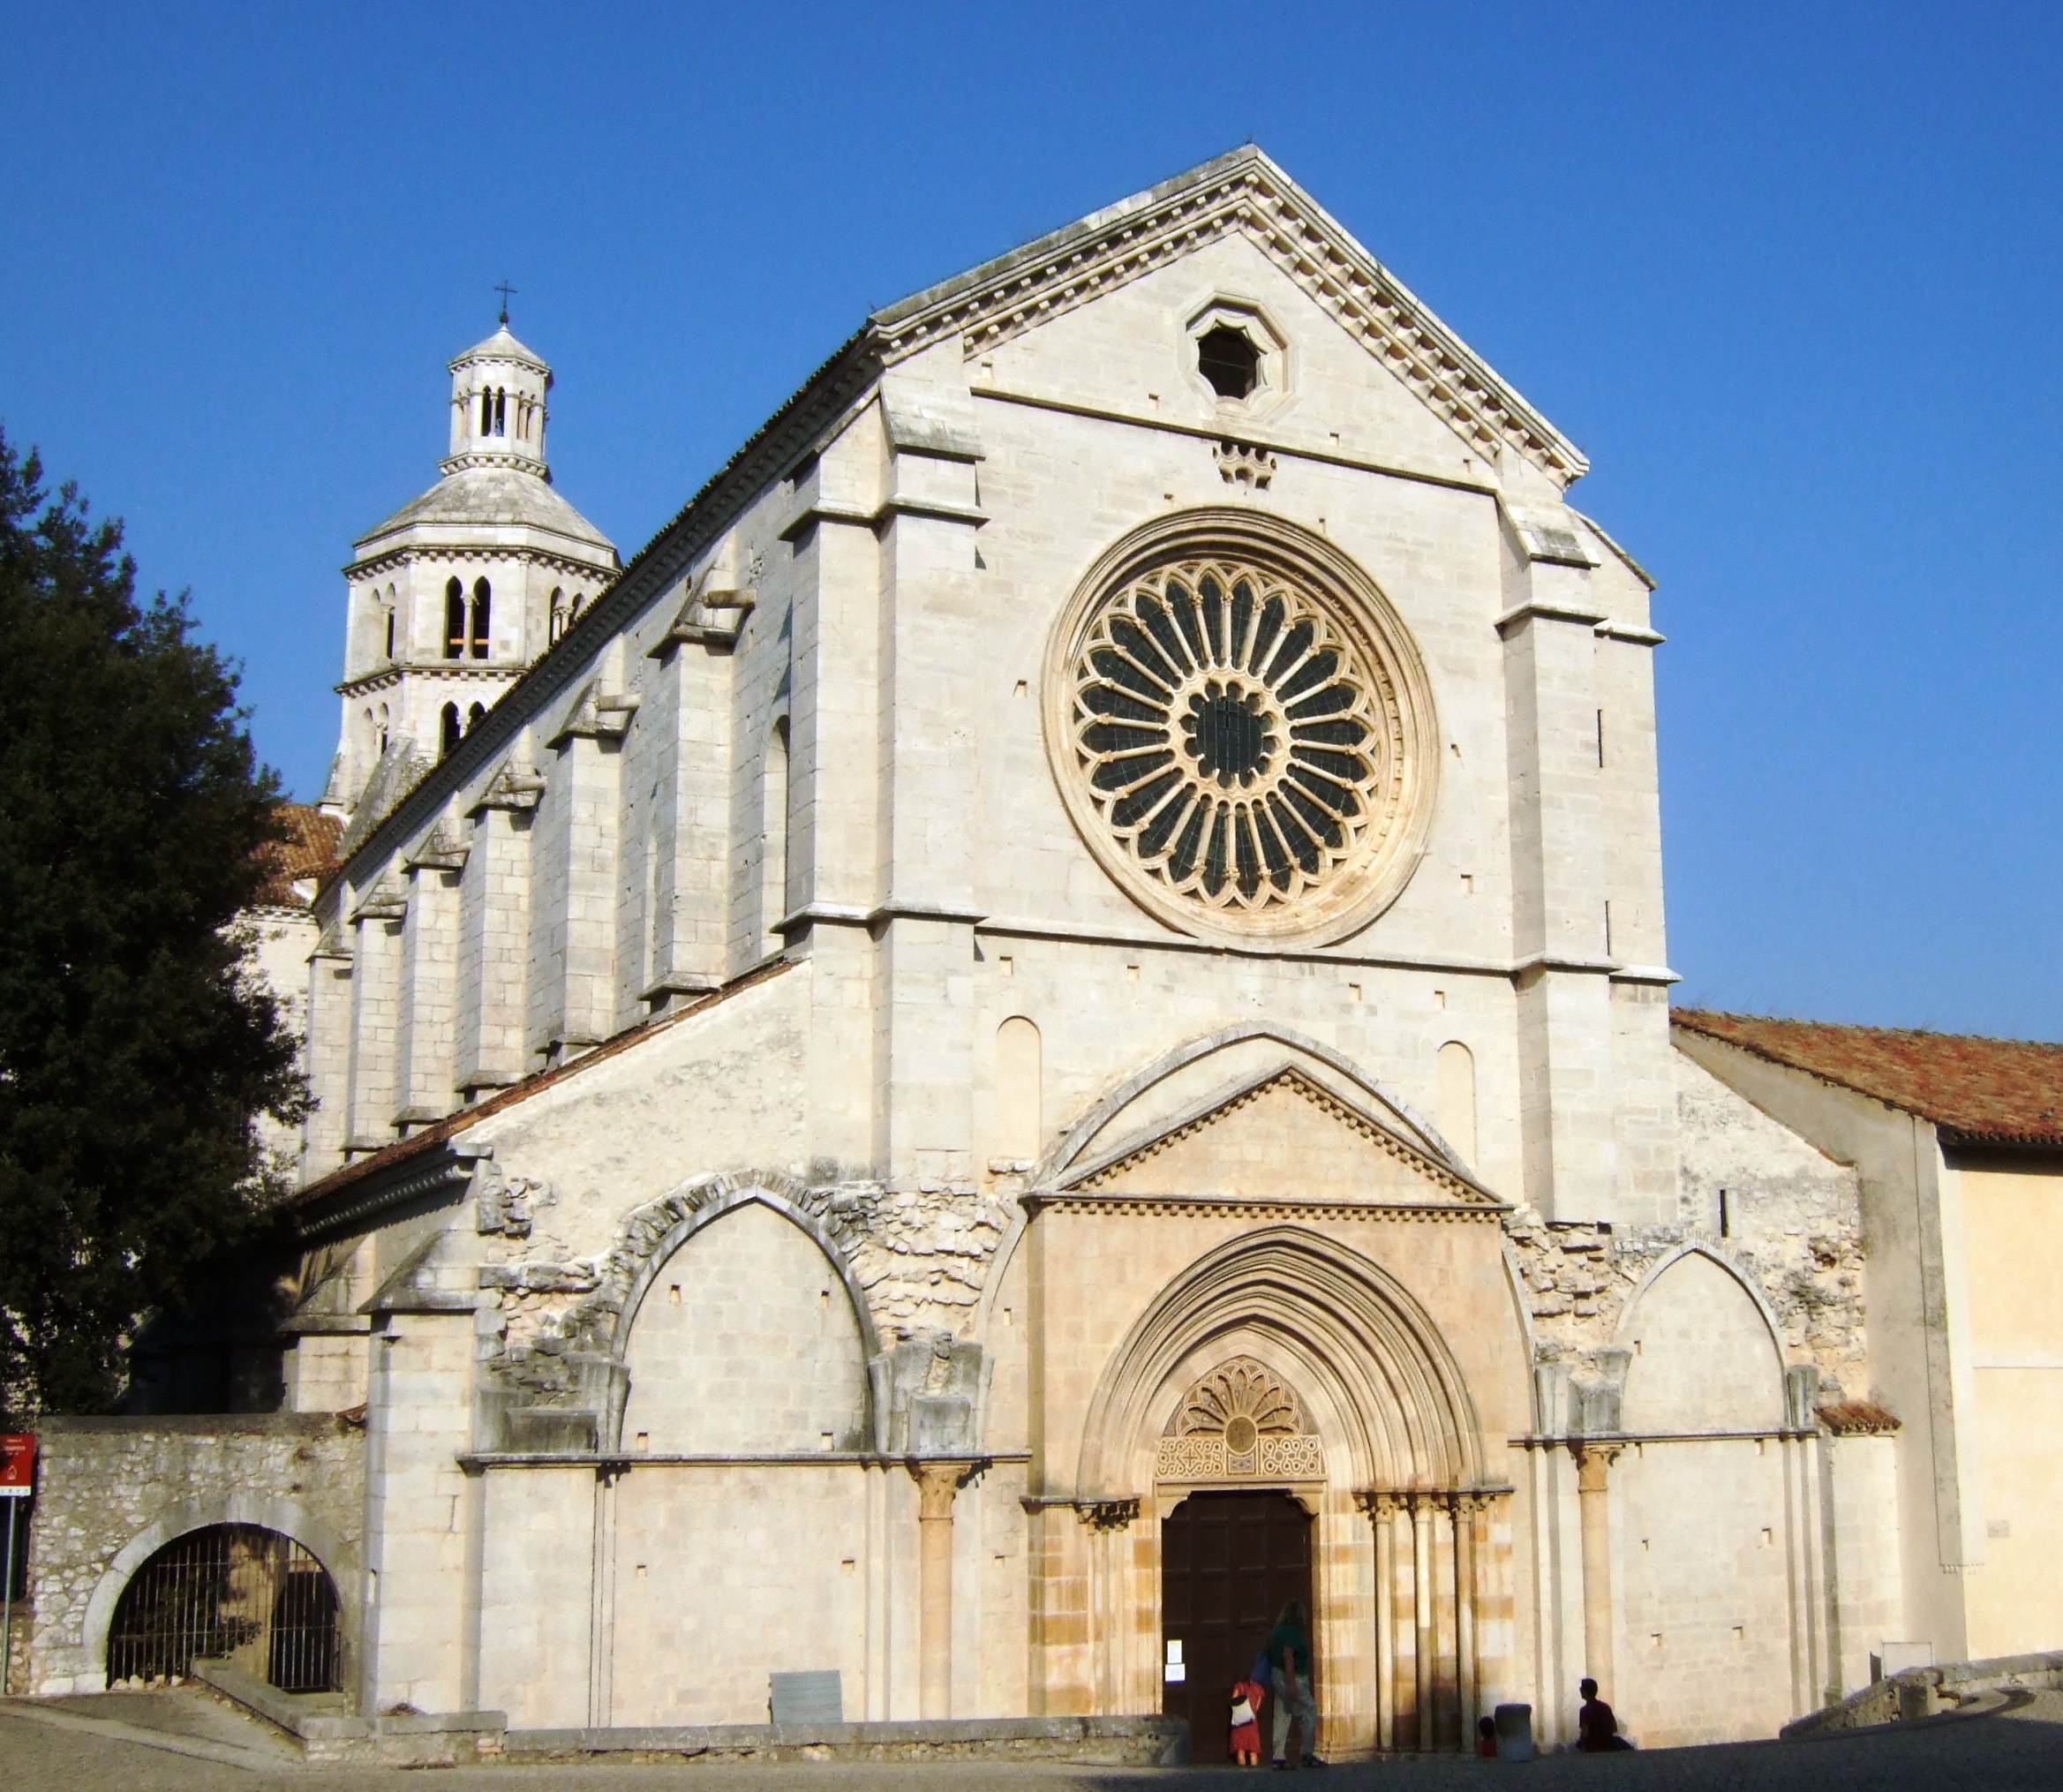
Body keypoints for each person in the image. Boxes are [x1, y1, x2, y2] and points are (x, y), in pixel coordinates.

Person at [1264, 1599, 1324, 1769]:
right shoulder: (1291, 1632)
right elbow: (1288, 1657)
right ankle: (1307, 1753)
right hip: (1293, 1677)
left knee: (1282, 1714)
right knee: (1309, 1711)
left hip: (1276, 1675)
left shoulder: (1276, 1630)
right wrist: (1292, 1685)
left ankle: (1278, 1756)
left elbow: (1270, 1653)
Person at [1575, 1677, 1632, 1751]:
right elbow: (1614, 1728)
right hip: (1609, 1744)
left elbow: (1585, 1733)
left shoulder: (1584, 1711)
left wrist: (1579, 1744)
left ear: (1585, 1691)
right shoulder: (1605, 1707)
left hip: (1593, 1747)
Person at [1230, 1673, 1266, 1766]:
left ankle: (1243, 1773)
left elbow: (1234, 1701)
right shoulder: (1258, 1688)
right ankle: (1254, 1772)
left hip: (1241, 1721)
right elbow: (1258, 1705)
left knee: (1240, 1748)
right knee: (1253, 1749)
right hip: (1252, 1720)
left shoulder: (1239, 1686)